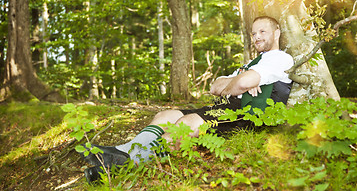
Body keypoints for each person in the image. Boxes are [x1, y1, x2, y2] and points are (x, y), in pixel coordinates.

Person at [81, 16, 294, 183]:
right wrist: (239, 81)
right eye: (253, 33)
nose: (256, 36)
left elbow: (239, 84)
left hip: (245, 115)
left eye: (262, 31)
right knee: (165, 115)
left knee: (186, 124)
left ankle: (125, 165)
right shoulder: (252, 62)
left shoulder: (281, 58)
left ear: (277, 33)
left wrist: (238, 83)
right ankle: (124, 151)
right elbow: (215, 86)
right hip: (226, 106)